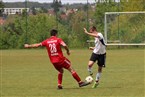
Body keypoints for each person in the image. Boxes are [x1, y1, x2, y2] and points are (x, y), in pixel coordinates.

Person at [24, 29, 90, 89]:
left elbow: (37, 45)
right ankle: (80, 82)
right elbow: (64, 45)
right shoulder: (58, 39)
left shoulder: (46, 41)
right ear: (56, 34)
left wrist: (28, 46)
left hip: (53, 61)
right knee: (71, 69)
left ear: (51, 35)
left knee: (61, 71)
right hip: (61, 59)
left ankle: (59, 85)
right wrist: (67, 51)